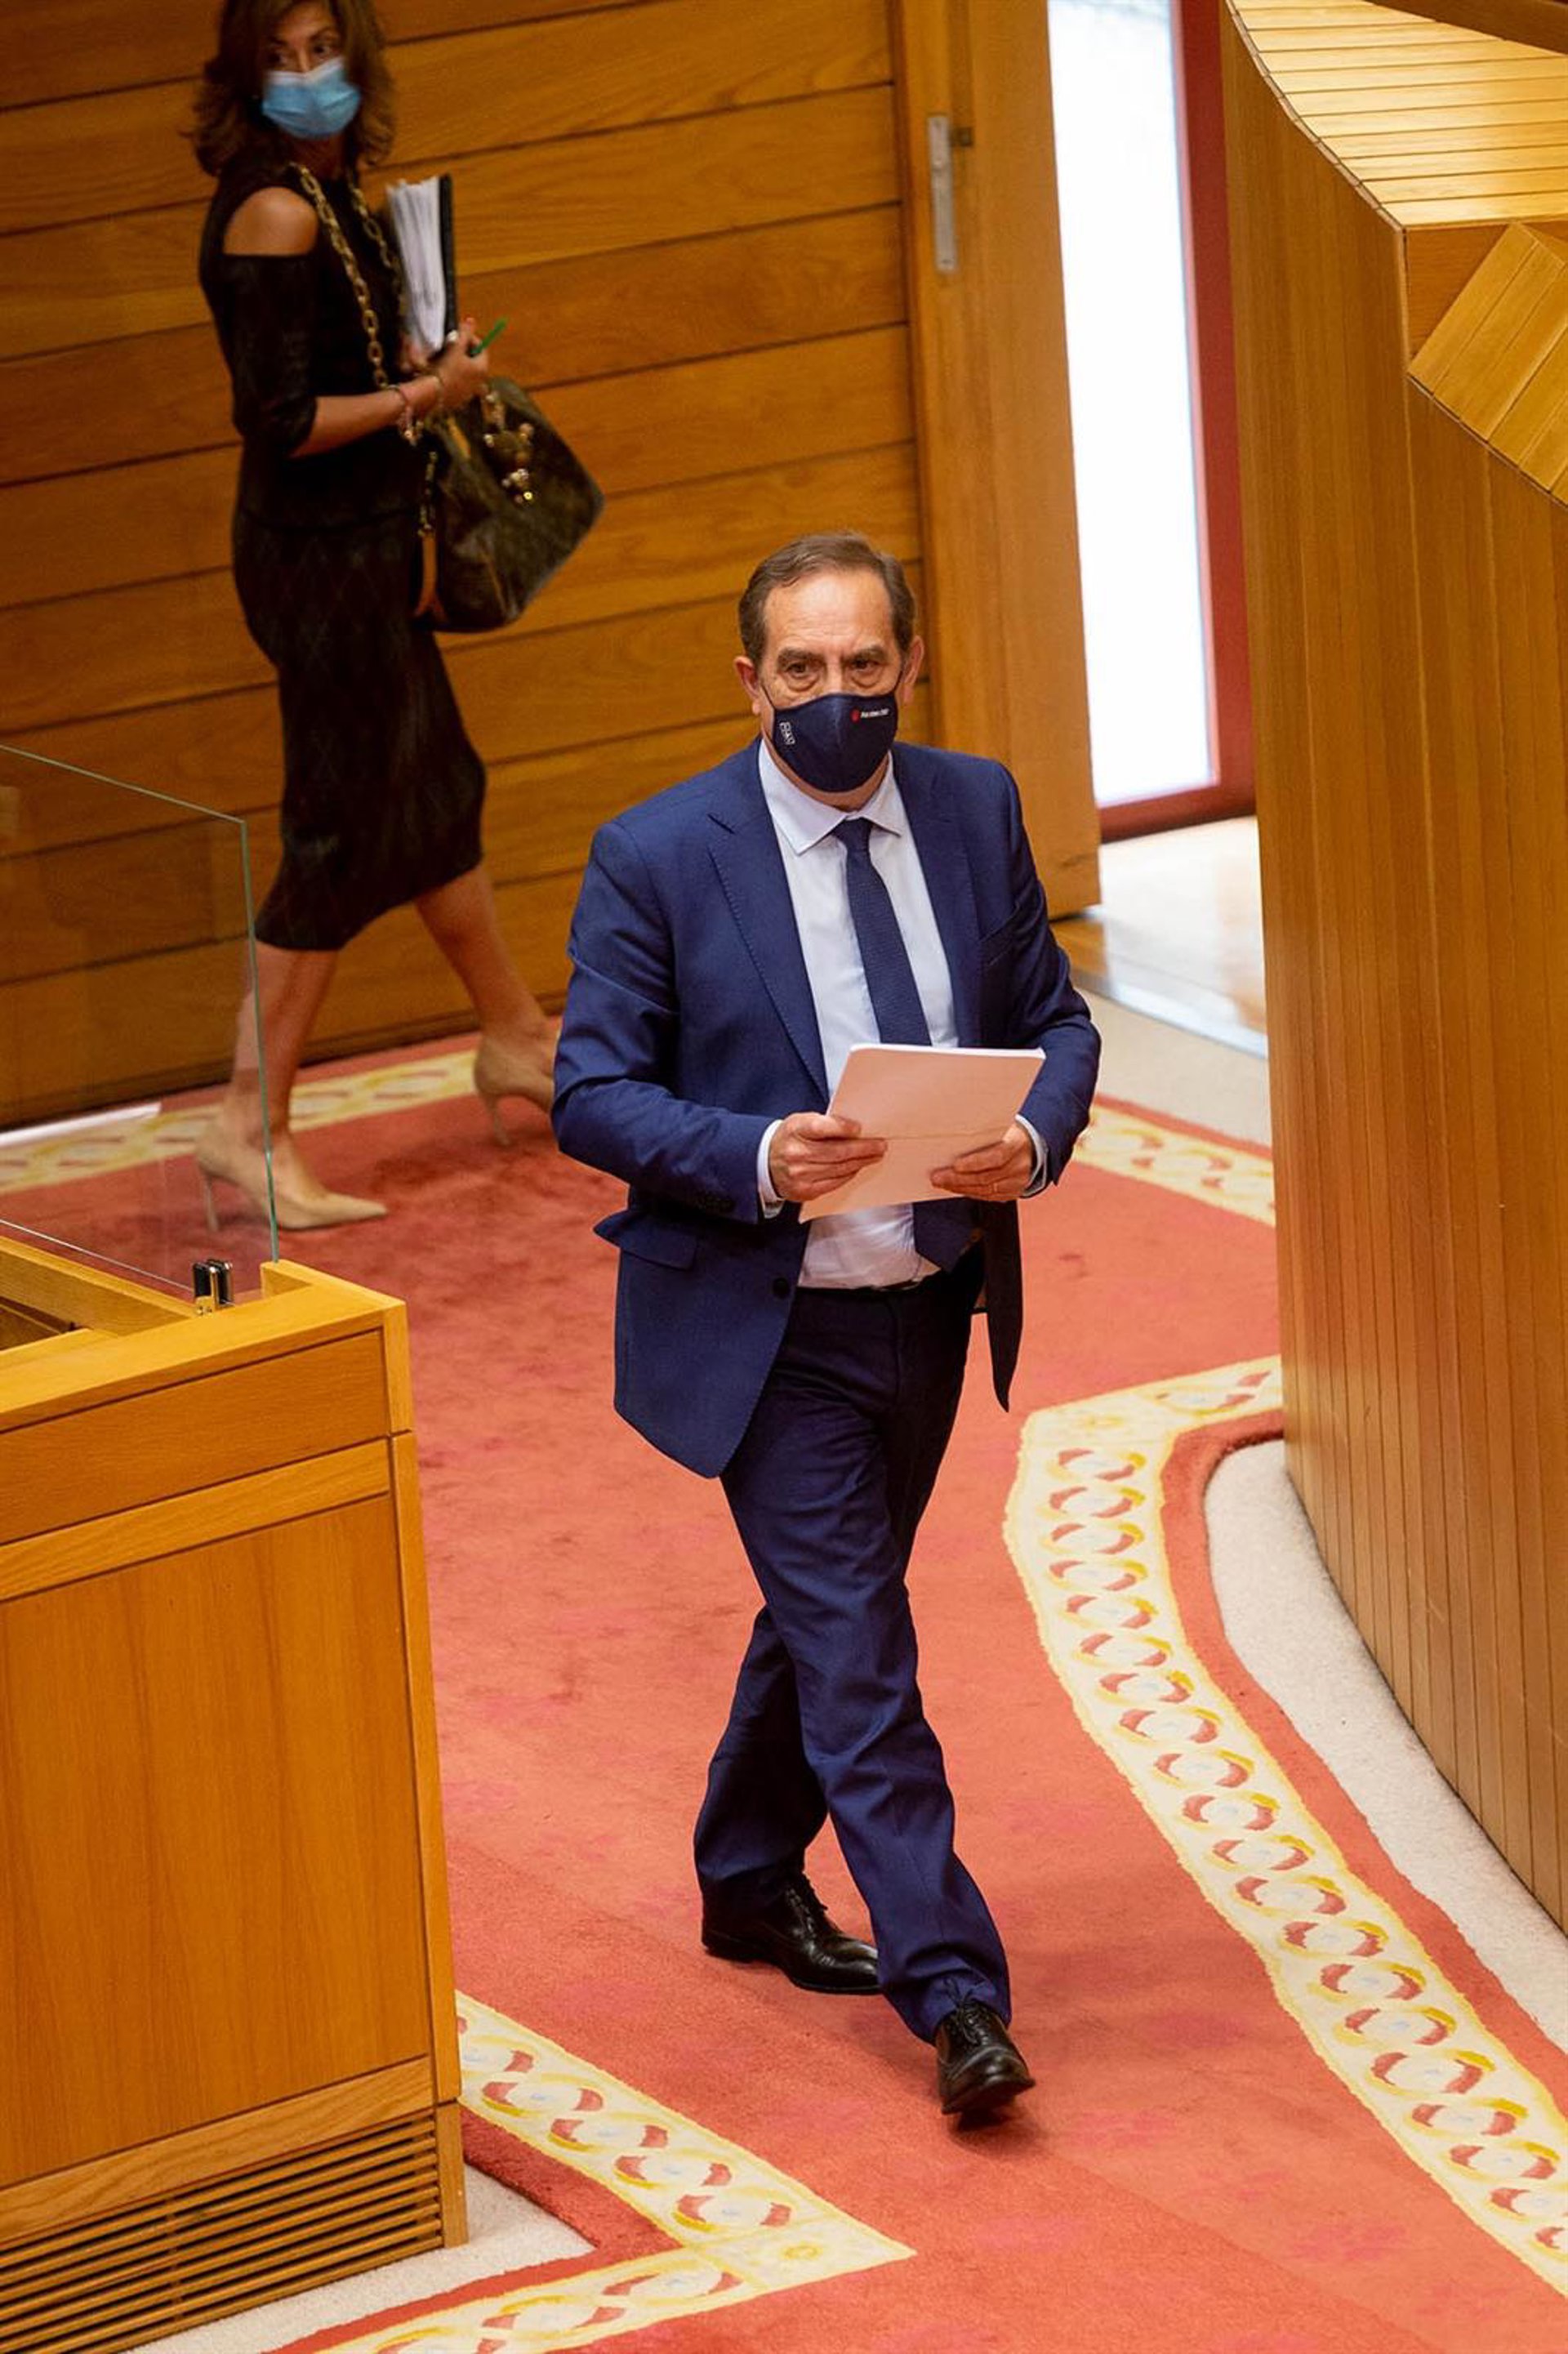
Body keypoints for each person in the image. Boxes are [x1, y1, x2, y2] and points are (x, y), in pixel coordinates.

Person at [552, 533, 1101, 2119]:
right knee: (863, 1654)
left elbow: (1055, 1021)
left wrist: (1035, 1137)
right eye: (803, 669)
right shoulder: (659, 854)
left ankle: (744, 1873)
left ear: (907, 665)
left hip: (927, 1304)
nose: (836, 694)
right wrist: (755, 1152)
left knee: (825, 1608)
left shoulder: (976, 807)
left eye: (865, 665)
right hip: (769, 1324)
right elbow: (590, 1089)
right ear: (752, 682)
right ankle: (958, 1990)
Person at [191, 0, 557, 1230]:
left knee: (439, 789)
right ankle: (248, 1124)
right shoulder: (278, 211)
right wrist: (424, 395)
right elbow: (282, 422)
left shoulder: (330, 191)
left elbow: (342, 366)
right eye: (279, 58)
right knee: (334, 838)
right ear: (246, 77)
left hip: (361, 550)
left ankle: (515, 1036)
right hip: (319, 566)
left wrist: (418, 364)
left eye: (322, 49)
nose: (307, 76)